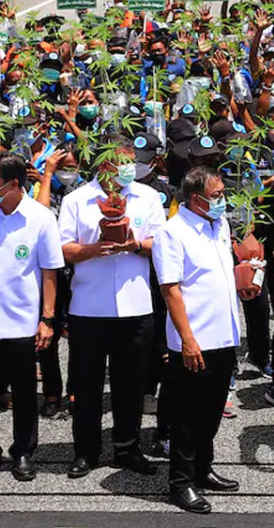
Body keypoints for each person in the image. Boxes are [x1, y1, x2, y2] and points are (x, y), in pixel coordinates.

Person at [58, 139, 166, 479]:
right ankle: (85, 451)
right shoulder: (77, 199)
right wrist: (95, 249)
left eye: (131, 162)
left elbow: (160, 243)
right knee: (87, 387)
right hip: (88, 308)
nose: (127, 168)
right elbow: (64, 249)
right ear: (103, 163)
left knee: (130, 386)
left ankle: (127, 448)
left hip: (135, 308)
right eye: (121, 161)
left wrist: (134, 244)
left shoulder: (147, 197)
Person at [153, 166, 241, 514]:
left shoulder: (218, 223)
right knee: (187, 417)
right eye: (217, 196)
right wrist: (188, 340)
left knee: (211, 413)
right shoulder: (172, 232)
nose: (223, 201)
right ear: (196, 198)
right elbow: (170, 289)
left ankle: (203, 469)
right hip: (195, 340)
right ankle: (181, 483)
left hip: (224, 336)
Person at [0, 152, 64, 481]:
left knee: (25, 394)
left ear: (13, 184)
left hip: (21, 323)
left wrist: (47, 319)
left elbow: (49, 271)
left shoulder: (40, 218)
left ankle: (22, 451)